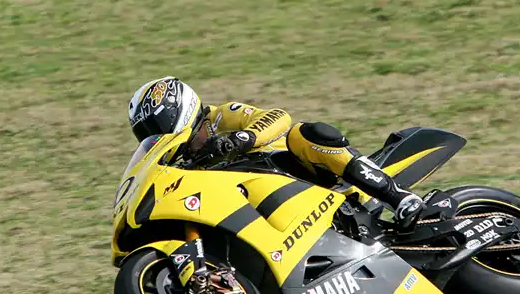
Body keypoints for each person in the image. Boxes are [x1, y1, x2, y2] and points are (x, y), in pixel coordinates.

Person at [127, 76, 424, 230]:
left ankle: (399, 197)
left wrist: (244, 137)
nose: (154, 135)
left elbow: (279, 116)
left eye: (155, 126)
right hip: (272, 208)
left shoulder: (221, 117)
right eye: (146, 133)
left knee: (304, 133)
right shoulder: (184, 163)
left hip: (301, 172)